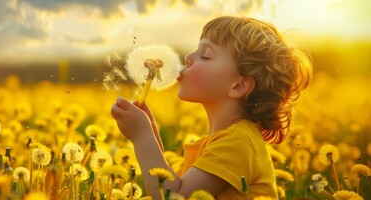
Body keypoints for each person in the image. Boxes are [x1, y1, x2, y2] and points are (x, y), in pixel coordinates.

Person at [111, 16, 313, 199]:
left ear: (238, 85)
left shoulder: (238, 144)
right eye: (196, 49)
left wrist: (143, 138)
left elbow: (174, 197)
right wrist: (152, 135)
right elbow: (173, 186)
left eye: (206, 55)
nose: (189, 57)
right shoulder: (222, 142)